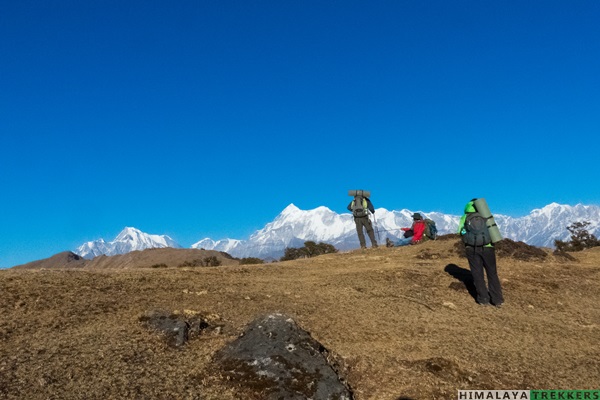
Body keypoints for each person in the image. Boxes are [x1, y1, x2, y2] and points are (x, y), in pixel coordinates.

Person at [458, 199, 504, 307]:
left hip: (472, 249)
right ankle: (497, 300)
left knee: (477, 274)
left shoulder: (465, 217)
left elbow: (460, 231)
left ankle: (483, 299)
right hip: (488, 248)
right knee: (492, 273)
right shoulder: (485, 215)